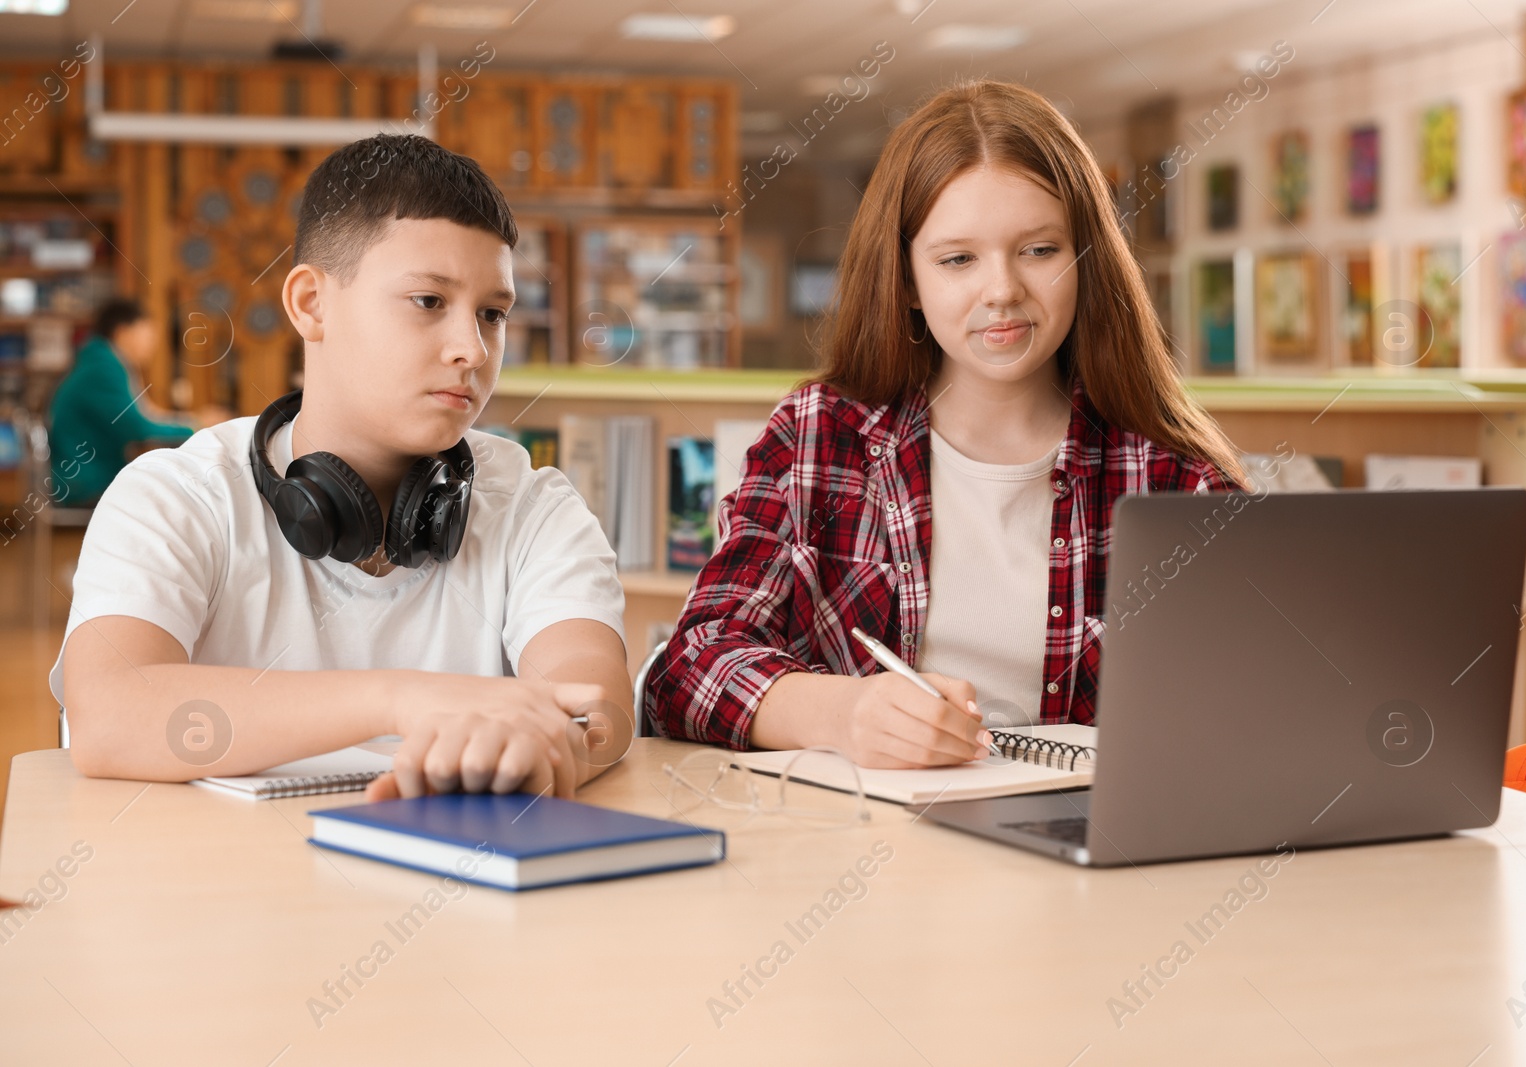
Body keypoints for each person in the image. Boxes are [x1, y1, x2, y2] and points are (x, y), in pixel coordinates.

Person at [644, 80, 1244, 769]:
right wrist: (845, 713)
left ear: (1086, 258)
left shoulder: (1177, 478)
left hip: (1093, 860)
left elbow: (1256, 707)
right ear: (906, 280)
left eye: (1040, 250)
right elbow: (688, 668)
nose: (1002, 290)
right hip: (868, 853)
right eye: (958, 259)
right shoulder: (821, 435)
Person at [53, 133, 631, 800]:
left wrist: (549, 742)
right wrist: (404, 700)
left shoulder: (536, 506)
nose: (471, 349)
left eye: (492, 314)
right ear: (310, 304)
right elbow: (109, 713)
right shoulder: (174, 496)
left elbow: (599, 715)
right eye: (428, 301)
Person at [47, 298, 227, 506]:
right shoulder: (103, 367)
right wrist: (197, 425)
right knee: (185, 492)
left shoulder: (101, 360)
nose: (153, 343)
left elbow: (145, 417)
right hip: (86, 480)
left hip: (85, 473)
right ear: (123, 332)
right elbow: (140, 428)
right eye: (148, 333)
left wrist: (194, 421)